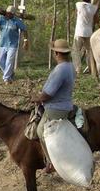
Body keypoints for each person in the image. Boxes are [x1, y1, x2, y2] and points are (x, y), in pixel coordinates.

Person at [30, 39, 76, 173]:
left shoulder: (60, 70)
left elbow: (48, 94)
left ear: (57, 53)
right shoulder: (70, 66)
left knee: (40, 131)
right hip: (65, 103)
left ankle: (51, 163)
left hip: (56, 107)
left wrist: (37, 98)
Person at [0, 5, 29, 84]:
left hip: (12, 44)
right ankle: (10, 73)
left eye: (10, 14)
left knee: (9, 61)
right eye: (7, 13)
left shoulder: (17, 21)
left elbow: (24, 30)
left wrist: (25, 41)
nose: (8, 15)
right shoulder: (2, 18)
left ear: (13, 14)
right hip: (2, 43)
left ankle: (6, 79)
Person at [73, 0, 99, 75]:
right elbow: (96, 19)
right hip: (89, 32)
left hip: (79, 32)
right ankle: (91, 68)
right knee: (90, 51)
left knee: (76, 50)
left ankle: (78, 69)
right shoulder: (94, 8)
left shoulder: (78, 4)